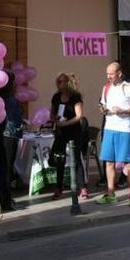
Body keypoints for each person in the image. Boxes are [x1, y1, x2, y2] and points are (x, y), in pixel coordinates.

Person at [96, 61, 130, 207]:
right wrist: (102, 109)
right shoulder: (106, 87)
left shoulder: (129, 88)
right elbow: (103, 104)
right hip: (109, 128)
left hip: (124, 130)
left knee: (128, 164)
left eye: (111, 74)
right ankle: (111, 194)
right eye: (107, 74)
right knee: (109, 162)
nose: (108, 76)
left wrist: (123, 111)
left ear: (119, 74)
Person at [49, 72, 85, 200]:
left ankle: (82, 187)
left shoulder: (75, 97)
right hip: (60, 132)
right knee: (60, 159)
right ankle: (59, 188)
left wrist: (65, 123)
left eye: (61, 81)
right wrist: (55, 120)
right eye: (57, 81)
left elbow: (79, 116)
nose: (58, 84)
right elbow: (52, 113)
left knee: (76, 159)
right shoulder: (56, 97)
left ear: (67, 83)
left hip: (73, 131)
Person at [0, 71, 22, 212]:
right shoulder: (11, 99)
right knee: (7, 169)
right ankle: (6, 201)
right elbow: (15, 121)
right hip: (9, 136)